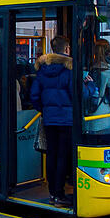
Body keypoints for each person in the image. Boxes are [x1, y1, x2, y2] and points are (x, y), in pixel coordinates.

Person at [30, 36, 73, 207]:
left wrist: (44, 109)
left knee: (52, 155)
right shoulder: (69, 69)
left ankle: (53, 194)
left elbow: (34, 95)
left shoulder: (43, 70)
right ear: (67, 48)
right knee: (63, 156)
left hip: (49, 119)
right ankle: (60, 194)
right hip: (66, 120)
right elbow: (77, 94)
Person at [88, 39, 110, 132]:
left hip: (87, 118)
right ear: (109, 51)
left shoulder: (88, 68)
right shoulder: (109, 70)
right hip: (104, 118)